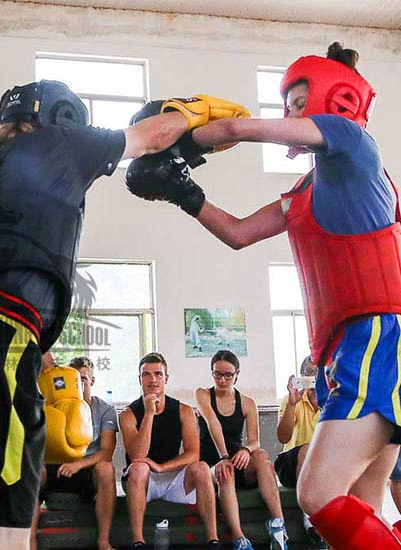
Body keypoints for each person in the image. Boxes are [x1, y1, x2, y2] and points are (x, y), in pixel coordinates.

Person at [0, 80, 248, 549]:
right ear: (63, 119)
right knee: (0, 536)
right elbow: (151, 136)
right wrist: (193, 112)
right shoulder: (58, 144)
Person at [127, 42, 401, 548]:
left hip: (377, 336)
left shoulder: (353, 141)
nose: (289, 116)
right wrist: (182, 191)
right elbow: (237, 233)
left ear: (334, 99)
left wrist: (174, 135)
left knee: (316, 495)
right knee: (361, 507)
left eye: (298, 104)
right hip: (353, 347)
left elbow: (233, 128)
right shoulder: (306, 191)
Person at [120, 352, 220, 549]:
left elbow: (193, 453)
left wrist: (162, 467)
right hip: (142, 480)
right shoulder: (128, 414)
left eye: (158, 374)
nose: (153, 380)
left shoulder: (183, 410)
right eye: (146, 375)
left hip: (172, 477)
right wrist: (149, 413)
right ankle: (138, 541)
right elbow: (137, 456)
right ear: (140, 379)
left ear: (166, 379)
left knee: (201, 468)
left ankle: (213, 540)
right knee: (139, 467)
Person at [196, 350, 287, 550]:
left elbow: (255, 440)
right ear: (212, 373)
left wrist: (246, 450)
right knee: (225, 472)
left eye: (228, 375)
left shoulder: (247, 402)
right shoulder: (202, 394)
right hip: (213, 463)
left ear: (237, 374)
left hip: (237, 459)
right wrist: (223, 456)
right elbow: (213, 423)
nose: (222, 379)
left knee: (262, 456)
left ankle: (278, 525)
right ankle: (239, 537)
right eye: (217, 374)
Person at [35, 356, 118, 550]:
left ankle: (104, 541)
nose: (79, 385)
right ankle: (29, 543)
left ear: (92, 381)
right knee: (33, 472)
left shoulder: (105, 410)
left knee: (106, 469)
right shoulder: (53, 407)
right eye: (75, 381)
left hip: (85, 472)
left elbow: (107, 452)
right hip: (56, 469)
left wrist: (78, 464)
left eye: (83, 380)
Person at [275, 356, 325, 547]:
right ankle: (309, 521)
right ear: (302, 376)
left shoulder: (333, 400)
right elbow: (283, 437)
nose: (313, 378)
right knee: (307, 450)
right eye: (309, 373)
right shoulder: (291, 400)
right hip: (291, 461)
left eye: (318, 373)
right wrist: (291, 404)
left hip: (322, 464)